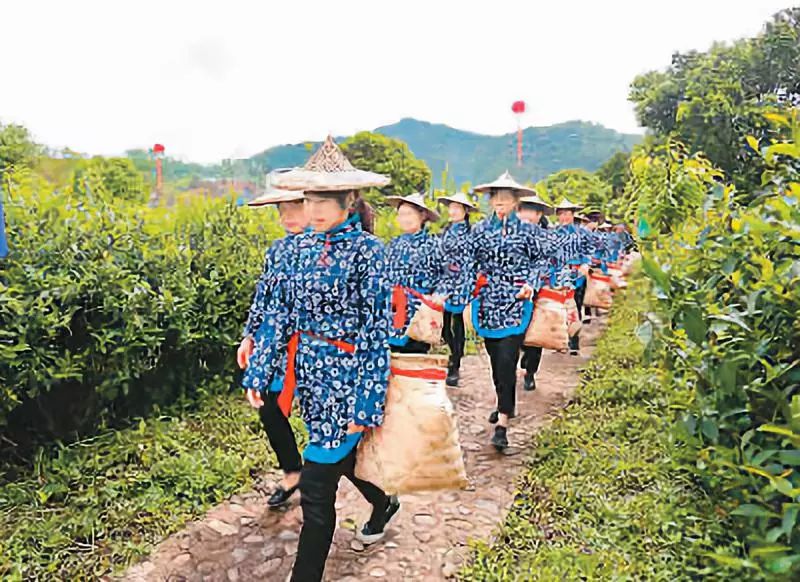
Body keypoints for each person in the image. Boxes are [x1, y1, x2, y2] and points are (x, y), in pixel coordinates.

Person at [261, 136, 399, 582]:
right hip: (311, 381)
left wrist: (367, 402)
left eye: (325, 198)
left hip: (349, 380)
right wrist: (262, 368)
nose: (314, 207)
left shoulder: (369, 253)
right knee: (342, 463)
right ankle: (383, 502)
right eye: (310, 196)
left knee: (317, 486)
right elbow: (279, 316)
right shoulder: (298, 251)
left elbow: (377, 334)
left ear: (349, 198)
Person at [469, 171, 553, 451]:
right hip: (488, 302)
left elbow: (543, 260)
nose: (500, 202)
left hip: (516, 301)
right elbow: (471, 262)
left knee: (507, 358)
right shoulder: (480, 231)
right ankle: (504, 399)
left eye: (506, 198)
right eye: (496, 197)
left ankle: (503, 423)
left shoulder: (529, 231)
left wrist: (531, 283)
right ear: (491, 201)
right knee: (496, 361)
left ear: (517, 202)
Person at [238, 180, 307, 509]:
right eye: (283, 209)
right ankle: (293, 470)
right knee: (268, 406)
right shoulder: (277, 249)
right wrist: (249, 335)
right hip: (272, 346)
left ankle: (373, 493)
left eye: (296, 207)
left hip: (310, 346)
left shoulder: (323, 249)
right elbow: (262, 296)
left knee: (322, 417)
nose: (289, 216)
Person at [384, 192, 445, 355]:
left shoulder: (434, 245)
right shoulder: (393, 245)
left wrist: (439, 294)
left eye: (409, 214)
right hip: (393, 310)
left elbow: (448, 275)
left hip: (419, 312)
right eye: (401, 214)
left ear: (422, 215)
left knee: (414, 359)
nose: (404, 218)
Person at [436, 191, 478, 386]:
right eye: (450, 207)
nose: (452, 211)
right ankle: (452, 354)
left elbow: (472, 260)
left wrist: (467, 281)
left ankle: (455, 363)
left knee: (456, 321)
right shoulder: (446, 230)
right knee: (444, 325)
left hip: (460, 282)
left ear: (465, 211)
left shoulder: (471, 233)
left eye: (456, 208)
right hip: (444, 281)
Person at [516, 193, 555, 392]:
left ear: (539, 215)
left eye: (532, 211)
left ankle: (530, 371)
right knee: (515, 332)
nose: (527, 215)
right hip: (512, 291)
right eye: (524, 210)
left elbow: (549, 263)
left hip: (537, 291)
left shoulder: (546, 237)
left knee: (535, 331)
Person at [552, 199, 597, 355]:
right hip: (558, 275)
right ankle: (560, 340)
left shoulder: (582, 233)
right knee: (558, 307)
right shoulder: (553, 233)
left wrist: (586, 263)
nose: (564, 217)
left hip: (577, 274)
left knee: (575, 306)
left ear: (572, 215)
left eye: (567, 214)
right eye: (561, 214)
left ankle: (574, 341)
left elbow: (590, 249)